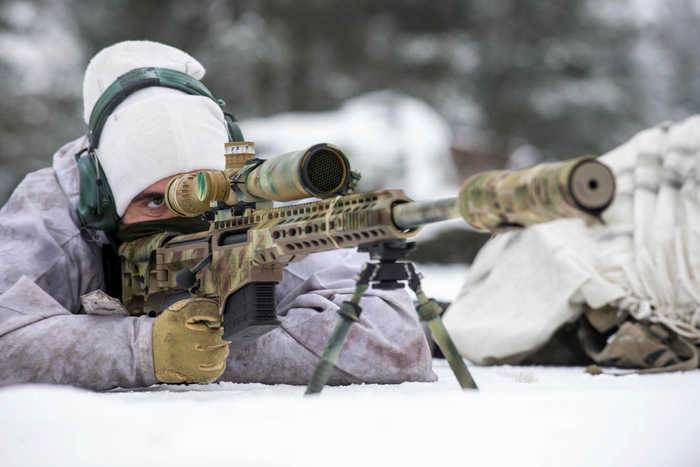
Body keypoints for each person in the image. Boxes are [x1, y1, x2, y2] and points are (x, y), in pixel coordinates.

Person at [0, 41, 435, 390]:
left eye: (204, 195)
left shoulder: (253, 210)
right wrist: (143, 348)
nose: (182, 215)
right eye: (153, 200)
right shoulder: (52, 212)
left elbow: (393, 341)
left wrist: (213, 348)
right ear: (102, 196)